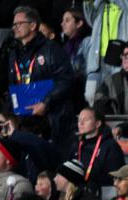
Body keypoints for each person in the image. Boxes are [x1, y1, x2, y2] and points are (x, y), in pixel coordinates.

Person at [6, 7, 76, 144]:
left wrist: (46, 103)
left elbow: (66, 80)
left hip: (51, 120)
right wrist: (11, 112)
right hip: (24, 120)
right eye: (14, 24)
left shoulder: (51, 49)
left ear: (33, 25)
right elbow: (12, 86)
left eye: (19, 23)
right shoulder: (14, 54)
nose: (15, 27)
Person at [67, 107, 124, 188]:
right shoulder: (75, 145)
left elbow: (116, 178)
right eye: (79, 120)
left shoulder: (110, 146)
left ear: (98, 124)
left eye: (86, 120)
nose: (81, 123)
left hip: (102, 192)